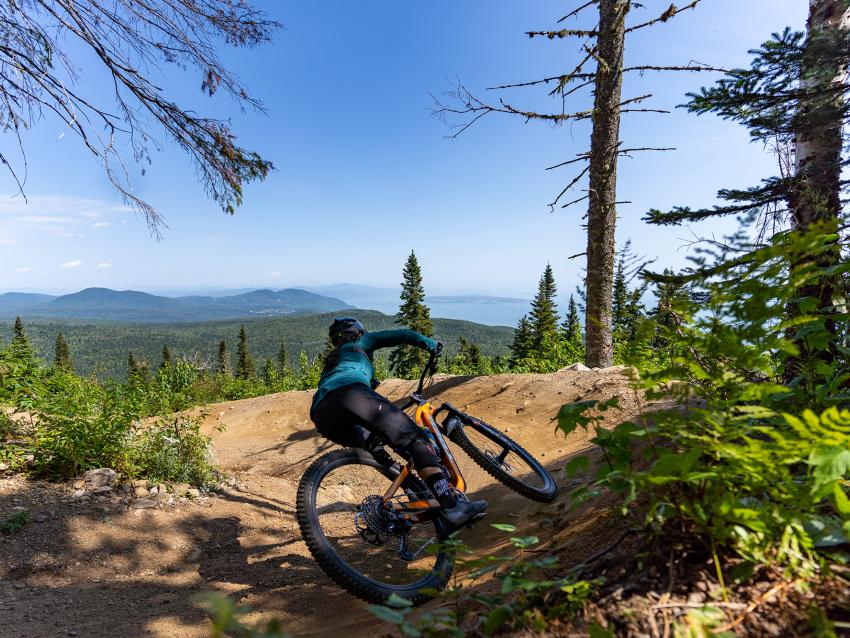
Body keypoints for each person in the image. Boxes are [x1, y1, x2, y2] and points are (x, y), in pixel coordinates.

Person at [310, 317, 488, 529]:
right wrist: (430, 344)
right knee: (416, 440)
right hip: (350, 394)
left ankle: (411, 494)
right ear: (359, 331)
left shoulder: (335, 359)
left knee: (377, 447)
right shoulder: (361, 342)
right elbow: (402, 335)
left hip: (321, 412)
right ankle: (452, 506)